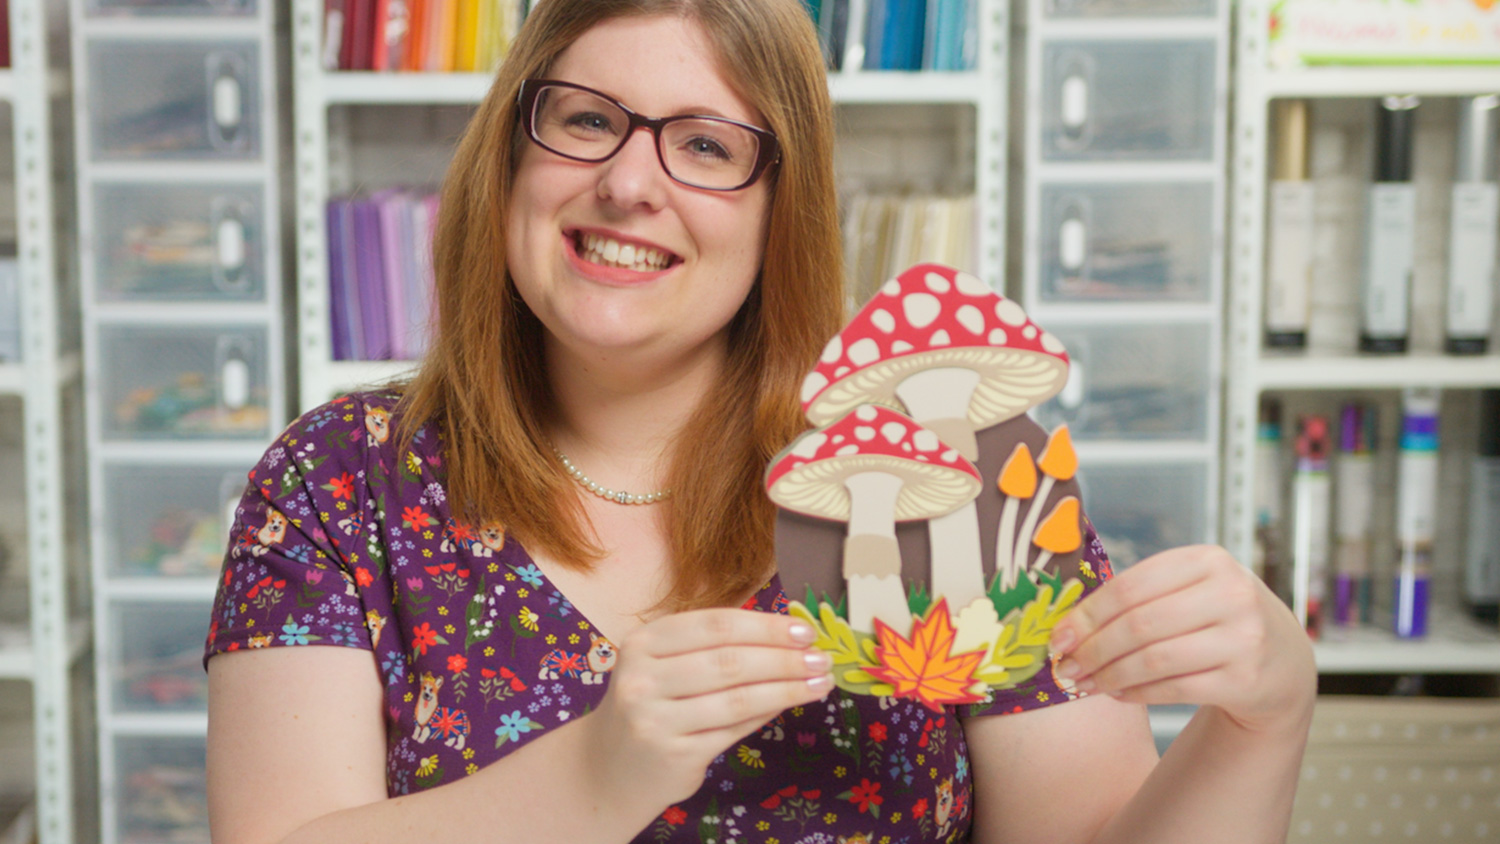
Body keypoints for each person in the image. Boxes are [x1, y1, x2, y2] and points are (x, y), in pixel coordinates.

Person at [204, 0, 1317, 841]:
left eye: (706, 145)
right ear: (509, 155)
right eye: (585, 120)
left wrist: (1263, 715)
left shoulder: (947, 466)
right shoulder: (340, 479)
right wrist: (592, 780)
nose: (631, 183)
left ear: (784, 210)